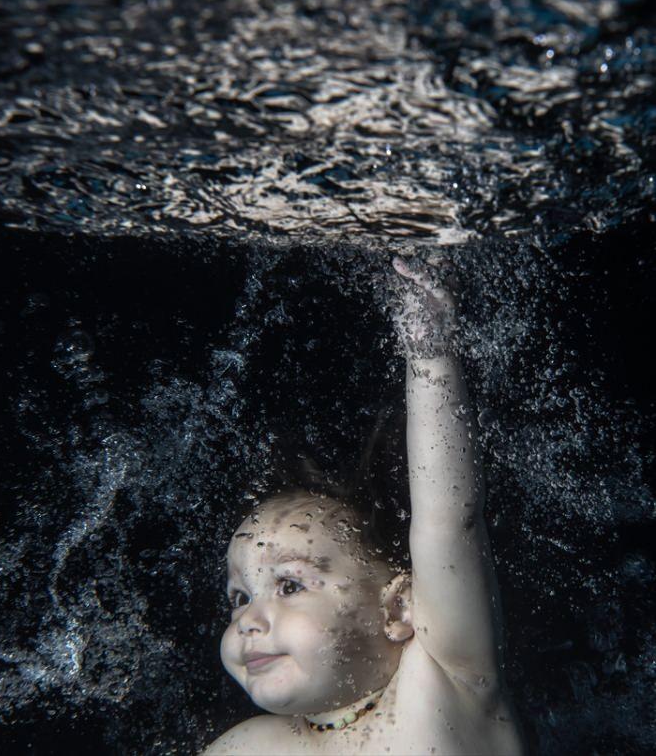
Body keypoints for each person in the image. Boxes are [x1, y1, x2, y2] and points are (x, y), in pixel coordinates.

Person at [203, 257, 524, 755]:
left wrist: (430, 348)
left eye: (289, 585)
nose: (248, 621)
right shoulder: (245, 747)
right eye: (239, 597)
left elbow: (447, 521)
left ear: (396, 607)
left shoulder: (444, 688)